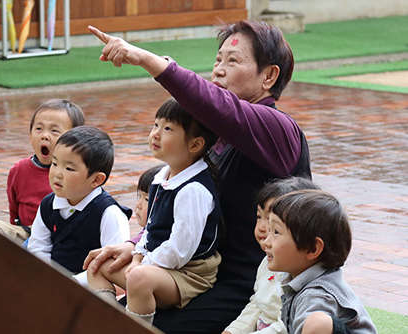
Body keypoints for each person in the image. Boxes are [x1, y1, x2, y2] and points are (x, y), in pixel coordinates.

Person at [84, 20, 312, 333]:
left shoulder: (279, 129)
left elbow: (220, 106)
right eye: (218, 60)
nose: (219, 70)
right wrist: (136, 246)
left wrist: (150, 61)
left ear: (269, 76)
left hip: (250, 283)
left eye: (233, 61)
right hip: (201, 270)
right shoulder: (217, 134)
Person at [87, 98, 221, 324]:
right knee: (97, 263)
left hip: (190, 273)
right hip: (157, 264)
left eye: (167, 128)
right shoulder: (163, 177)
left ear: (195, 145)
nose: (156, 134)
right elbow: (151, 228)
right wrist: (138, 254)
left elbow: (180, 249)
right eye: (155, 125)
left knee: (139, 279)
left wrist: (143, 263)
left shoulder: (194, 189)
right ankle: (108, 322)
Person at [264, 190, 377, 334]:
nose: (267, 241)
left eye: (276, 232)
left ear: (313, 248)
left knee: (317, 323)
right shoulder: (299, 279)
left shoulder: (316, 296)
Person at [28, 126, 132, 274]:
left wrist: (72, 284)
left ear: (96, 179)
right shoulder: (48, 204)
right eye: (55, 163)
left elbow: (113, 267)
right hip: (52, 281)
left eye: (69, 168)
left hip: (90, 288)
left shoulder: (109, 214)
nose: (57, 173)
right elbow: (38, 247)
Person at [222, 177, 320, 334]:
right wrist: (233, 331)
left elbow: (286, 326)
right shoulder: (269, 262)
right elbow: (257, 304)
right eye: (259, 216)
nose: (261, 227)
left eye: (272, 222)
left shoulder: (307, 283)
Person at [0, 99, 85, 244]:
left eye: (54, 130)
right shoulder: (19, 170)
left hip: (64, 235)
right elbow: (14, 211)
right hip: (29, 231)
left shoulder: (79, 172)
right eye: (39, 129)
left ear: (75, 140)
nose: (44, 135)